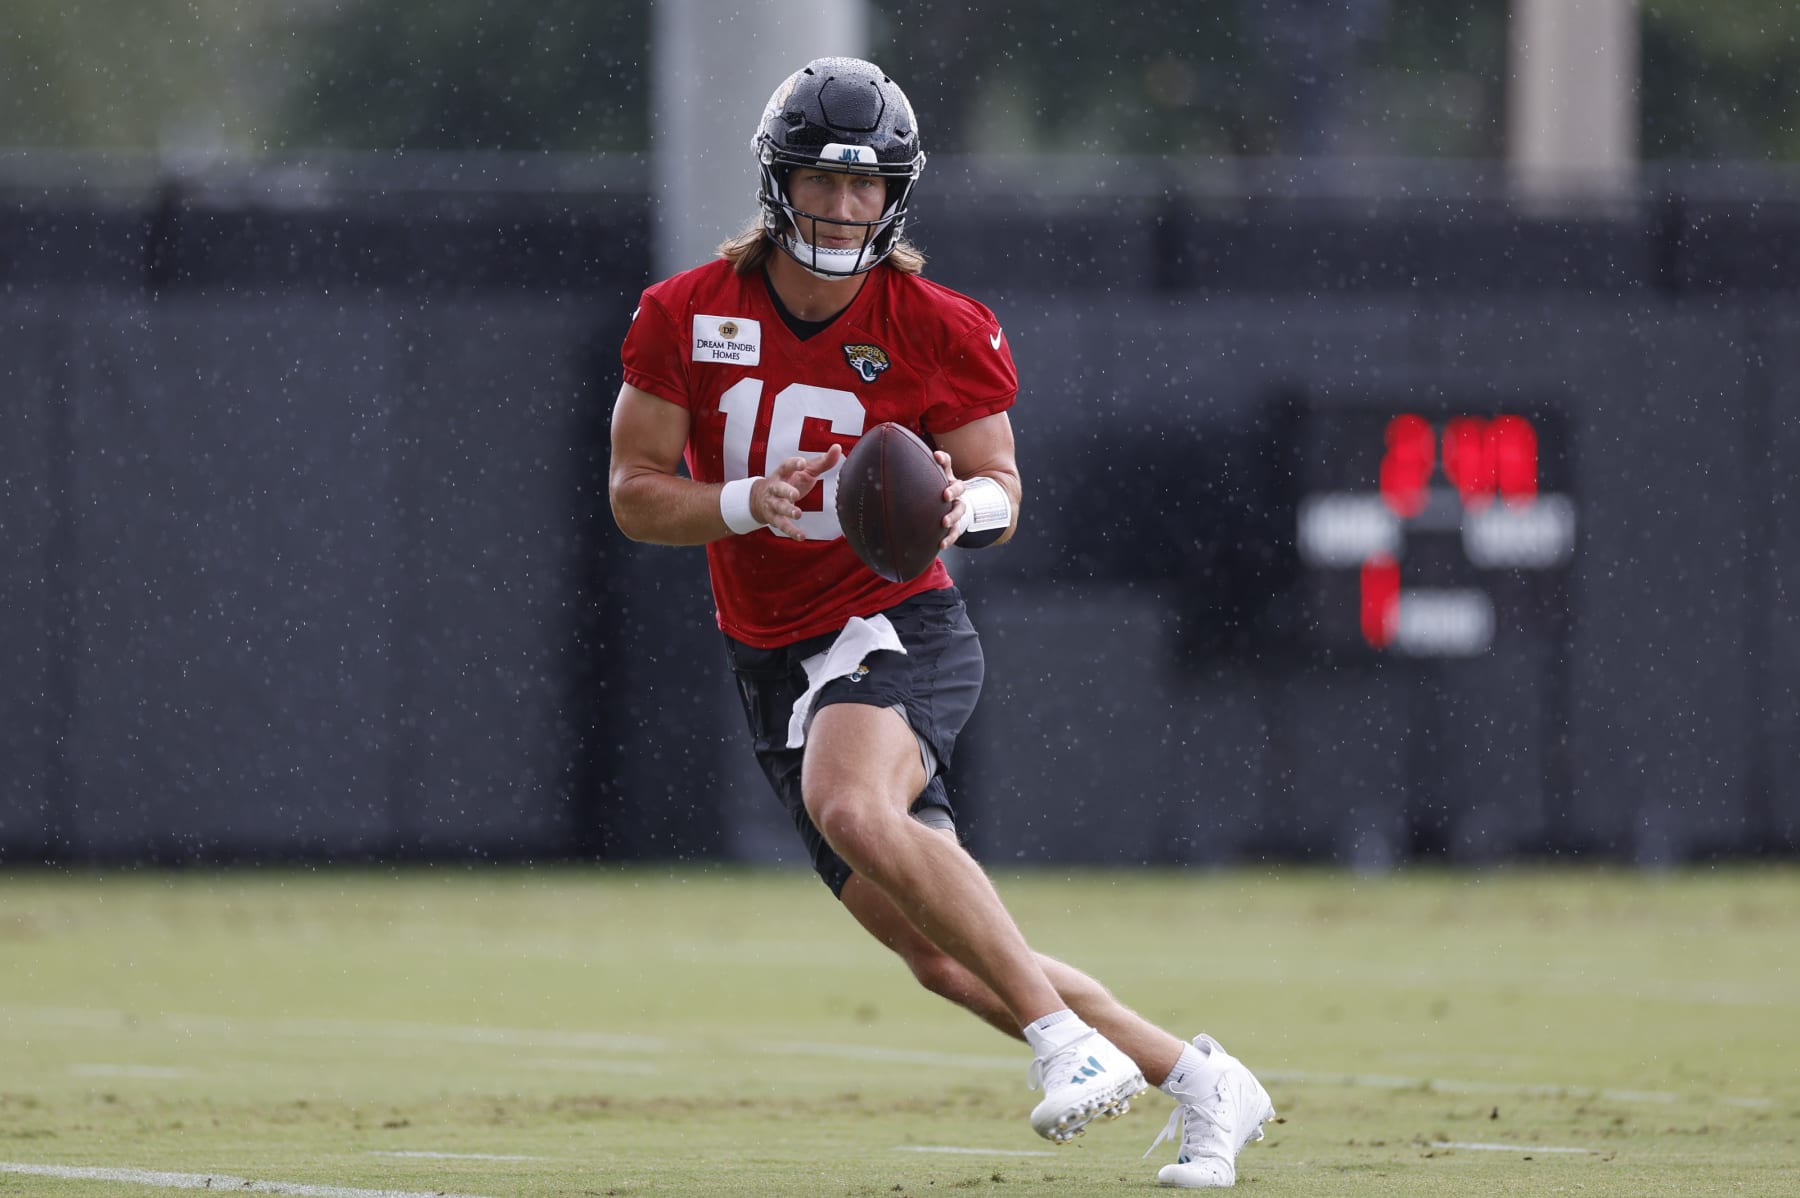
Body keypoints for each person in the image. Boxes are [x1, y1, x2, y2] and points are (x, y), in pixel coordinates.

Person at [607, 55, 1276, 1188]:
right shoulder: (686, 312)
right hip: (771, 655)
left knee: (851, 804)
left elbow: (1003, 486)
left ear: (897, 196)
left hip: (893, 621)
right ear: (780, 183)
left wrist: (962, 505)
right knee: (942, 955)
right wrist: (739, 501)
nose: (844, 205)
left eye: (868, 187)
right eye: (823, 179)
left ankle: (1066, 1047)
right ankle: (1202, 1077)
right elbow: (632, 490)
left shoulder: (934, 322)